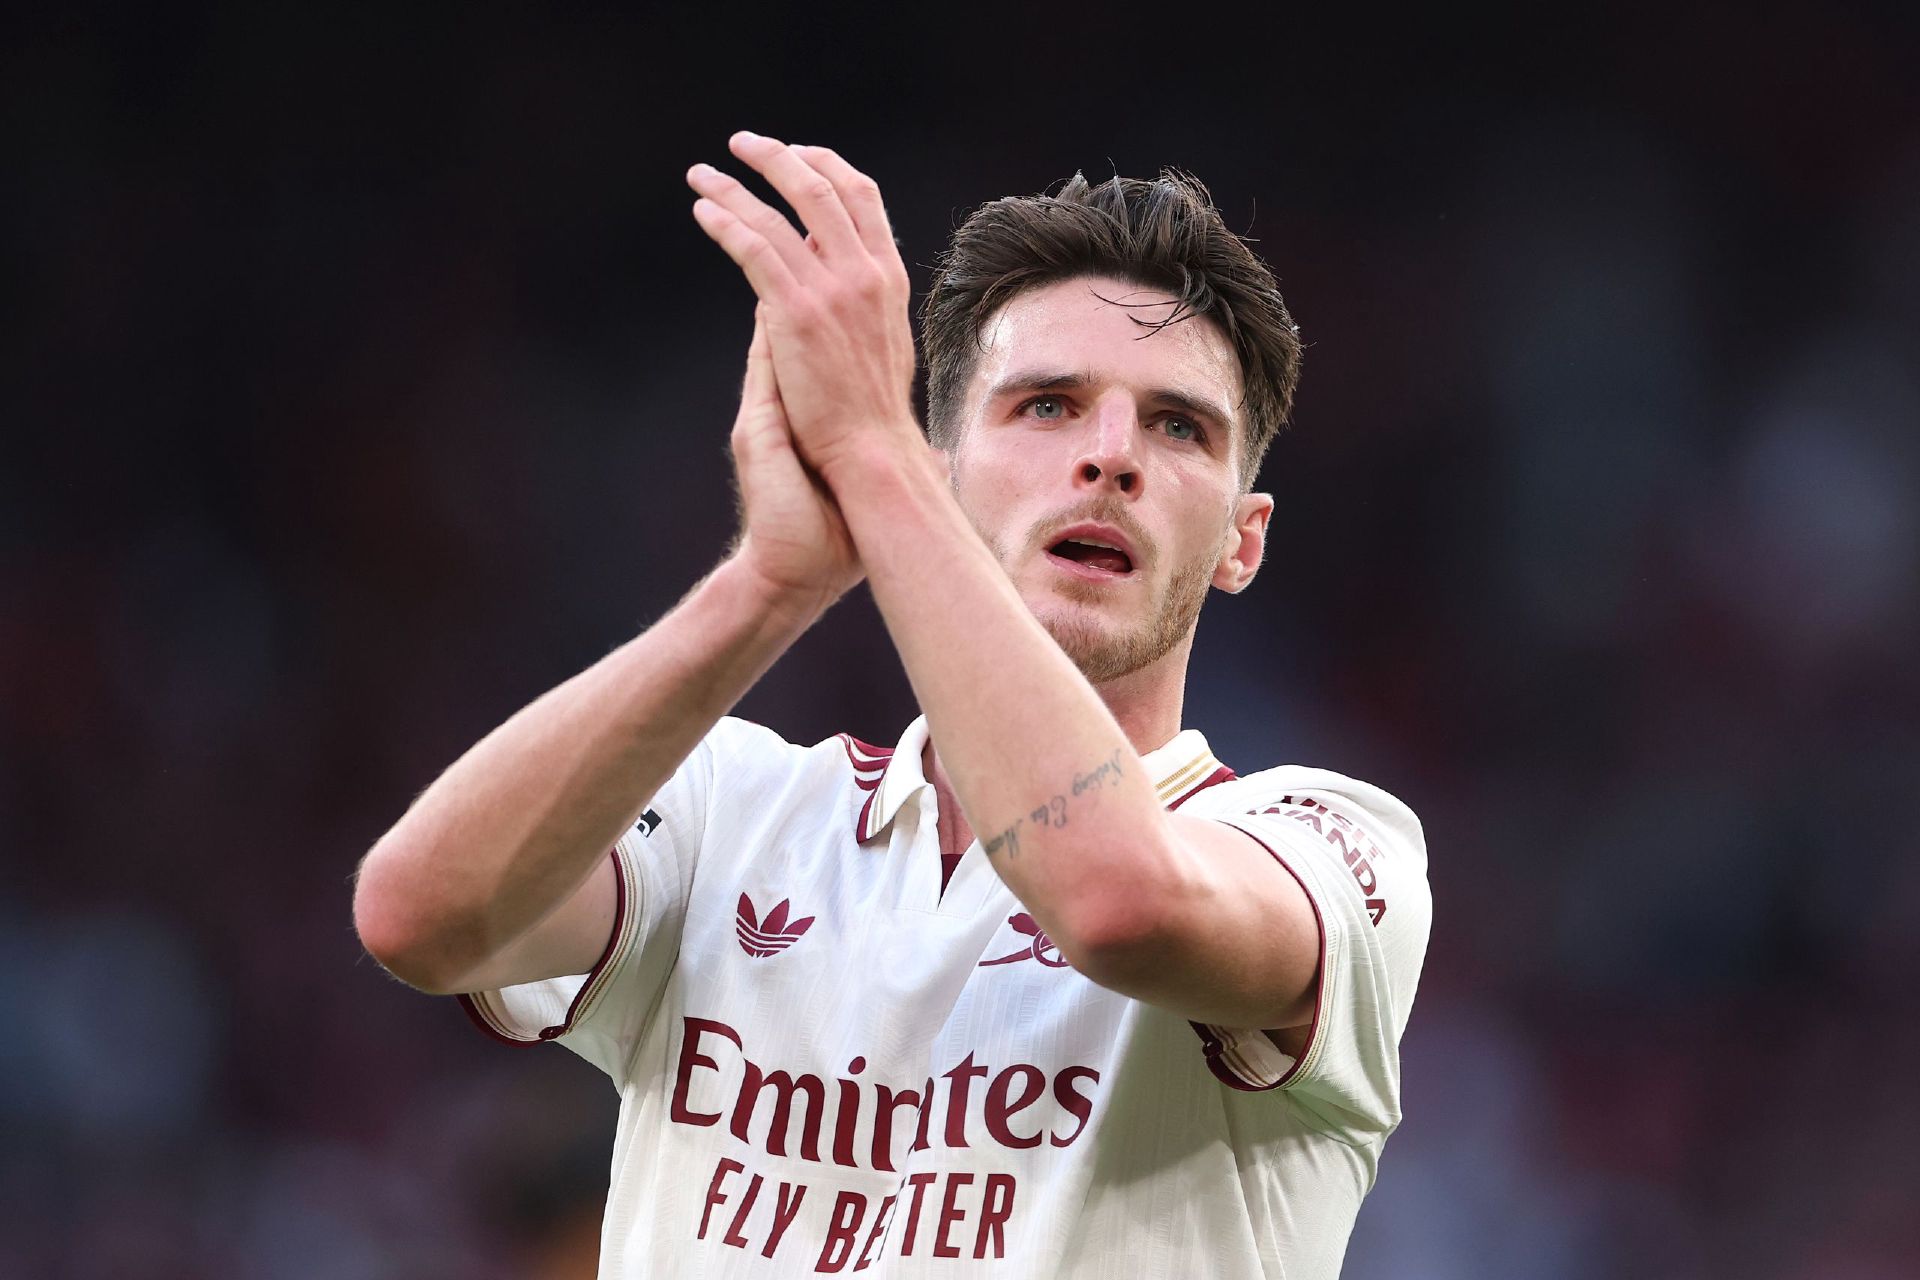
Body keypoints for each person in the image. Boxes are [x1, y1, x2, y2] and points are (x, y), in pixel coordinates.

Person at [353, 131, 1432, 1279]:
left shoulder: (1328, 843)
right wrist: (770, 584)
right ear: (944, 471)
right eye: (1047, 405)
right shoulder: (731, 809)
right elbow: (421, 915)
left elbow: (1114, 898)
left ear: (1241, 540)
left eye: (1179, 426)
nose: (1112, 456)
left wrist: (872, 455)